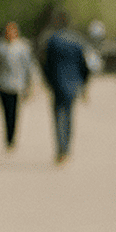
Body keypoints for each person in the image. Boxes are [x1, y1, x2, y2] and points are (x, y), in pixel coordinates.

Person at [39, 10, 91, 163]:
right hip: (73, 85)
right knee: (69, 115)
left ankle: (60, 149)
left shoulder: (52, 40)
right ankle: (66, 148)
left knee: (57, 116)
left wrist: (47, 81)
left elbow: (45, 64)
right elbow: (85, 66)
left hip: (56, 83)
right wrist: (84, 84)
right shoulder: (77, 40)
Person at [0, 21, 38, 151]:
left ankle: (11, 139)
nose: (10, 34)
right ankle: (7, 136)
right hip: (2, 84)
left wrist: (30, 84)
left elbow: (28, 67)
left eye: (13, 31)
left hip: (16, 85)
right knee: (5, 112)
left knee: (13, 112)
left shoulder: (23, 47)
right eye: (8, 31)